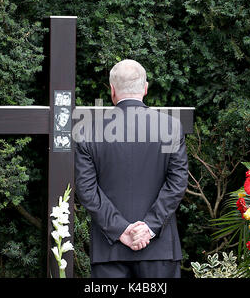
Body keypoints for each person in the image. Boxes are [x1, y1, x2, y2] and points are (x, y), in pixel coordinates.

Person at [74, 59, 188, 278]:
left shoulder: (88, 131)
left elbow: (87, 191)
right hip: (159, 249)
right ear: (145, 89)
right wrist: (149, 227)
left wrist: (121, 230)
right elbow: (177, 183)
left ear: (112, 90)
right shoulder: (170, 127)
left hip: (109, 251)